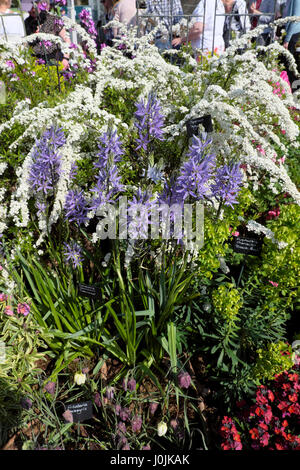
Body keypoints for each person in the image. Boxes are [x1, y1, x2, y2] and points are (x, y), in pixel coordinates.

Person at [29, 1, 70, 69]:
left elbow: (67, 40)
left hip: (54, 60)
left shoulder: (54, 20)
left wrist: (66, 58)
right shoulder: (31, 22)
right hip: (37, 62)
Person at [283, 0, 300, 87]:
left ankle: (289, 86)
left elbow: (295, 18)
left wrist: (287, 39)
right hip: (293, 32)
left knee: (289, 63)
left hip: (293, 33)